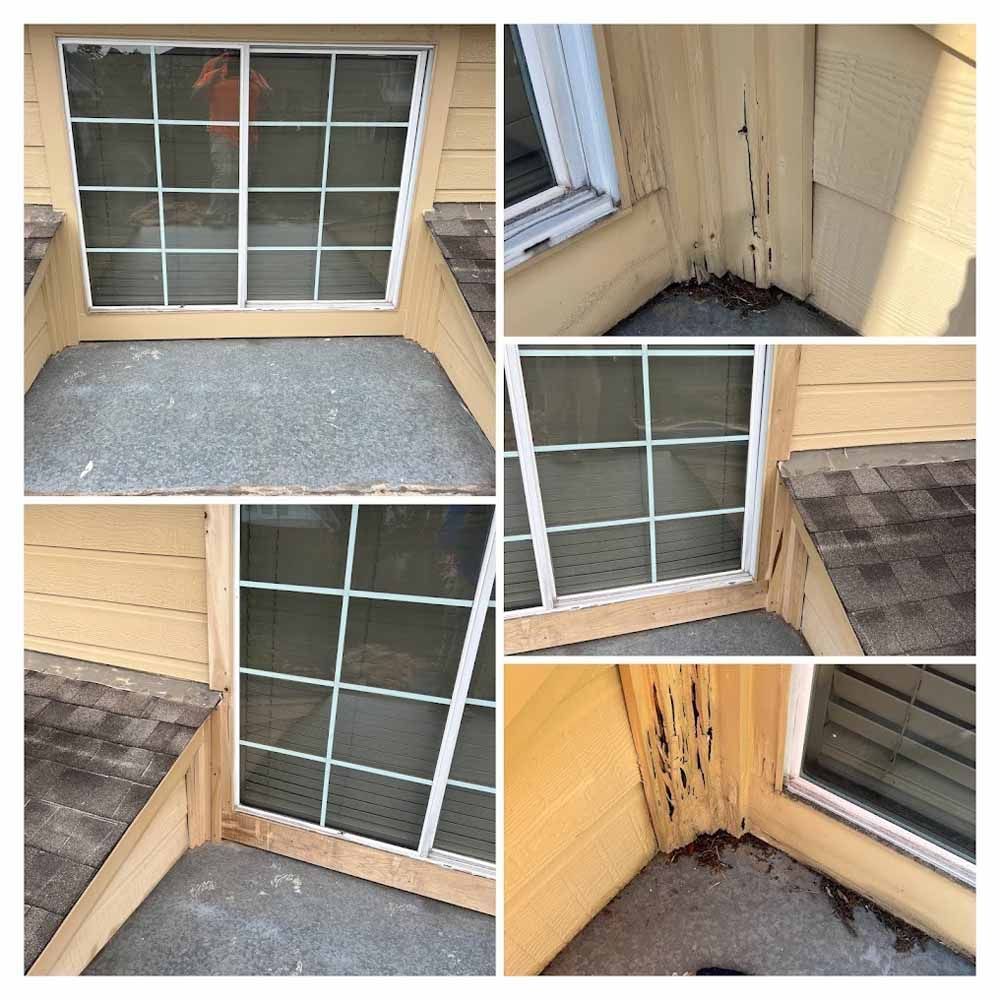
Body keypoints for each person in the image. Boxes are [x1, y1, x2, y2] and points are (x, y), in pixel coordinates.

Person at [192, 51, 271, 219]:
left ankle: (237, 215)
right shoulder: (215, 67)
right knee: (225, 173)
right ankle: (217, 213)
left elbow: (269, 97)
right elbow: (194, 96)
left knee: (245, 174)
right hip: (222, 133)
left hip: (249, 134)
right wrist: (211, 78)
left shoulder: (252, 71)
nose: (235, 59)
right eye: (232, 56)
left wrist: (255, 79)